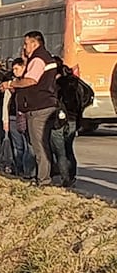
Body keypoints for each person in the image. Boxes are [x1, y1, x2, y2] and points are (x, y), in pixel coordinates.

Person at [0, 31, 58, 186]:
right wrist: (26, 61)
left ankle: (43, 179)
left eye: (26, 44)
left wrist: (11, 84)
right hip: (44, 104)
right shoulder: (42, 58)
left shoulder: (38, 59)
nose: (24, 47)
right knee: (41, 144)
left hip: (39, 106)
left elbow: (31, 80)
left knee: (38, 144)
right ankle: (43, 176)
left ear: (35, 43)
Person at [50, 58, 88, 187]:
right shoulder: (75, 83)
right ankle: (72, 175)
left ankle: (65, 178)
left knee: (60, 151)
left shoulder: (57, 84)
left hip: (59, 119)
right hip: (73, 119)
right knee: (69, 148)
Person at [1, 58, 35, 178]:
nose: (14, 71)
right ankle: (19, 169)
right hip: (12, 117)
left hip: (26, 118)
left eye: (17, 68)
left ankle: (29, 170)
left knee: (28, 146)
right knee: (17, 146)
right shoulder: (12, 84)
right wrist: (5, 120)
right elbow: (6, 103)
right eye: (13, 69)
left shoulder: (28, 83)